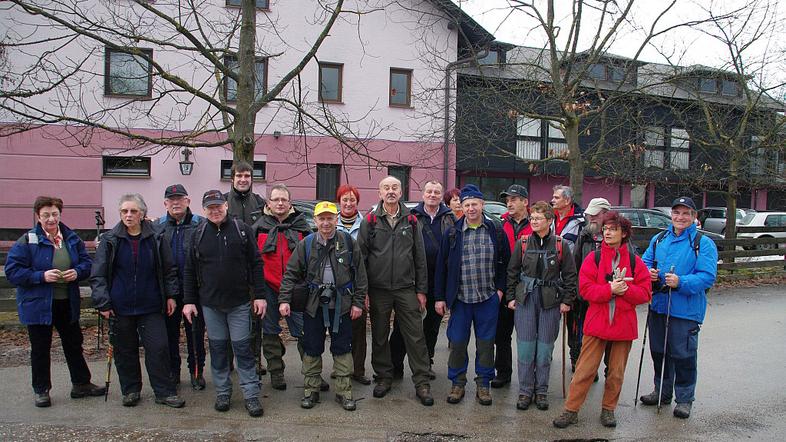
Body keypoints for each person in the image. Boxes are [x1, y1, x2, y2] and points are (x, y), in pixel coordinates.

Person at [553, 211, 651, 428]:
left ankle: (608, 410)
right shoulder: (594, 258)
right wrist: (609, 289)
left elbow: (645, 293)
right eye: (605, 229)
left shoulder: (635, 262)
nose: (607, 233)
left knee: (616, 373)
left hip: (623, 326)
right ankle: (571, 410)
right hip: (597, 324)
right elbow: (585, 289)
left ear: (624, 233)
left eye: (613, 229)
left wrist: (625, 290)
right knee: (584, 370)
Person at [6, 196, 105, 407]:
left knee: (74, 344)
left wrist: (77, 272)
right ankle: (41, 390)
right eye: (46, 215)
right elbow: (13, 271)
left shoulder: (71, 238)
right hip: (38, 304)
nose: (51, 219)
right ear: (38, 216)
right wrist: (40, 276)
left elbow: (87, 264)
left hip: (66, 301)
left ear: (60, 214)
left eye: (54, 214)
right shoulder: (27, 241)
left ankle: (81, 384)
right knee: (40, 348)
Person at [90, 194, 185, 408]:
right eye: (124, 211)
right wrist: (103, 302)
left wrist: (171, 295)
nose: (129, 215)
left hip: (151, 305)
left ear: (142, 214)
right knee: (125, 350)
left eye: (133, 211)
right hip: (120, 307)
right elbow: (98, 274)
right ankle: (131, 390)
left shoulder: (156, 237)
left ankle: (164, 391)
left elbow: (169, 269)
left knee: (159, 348)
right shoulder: (110, 240)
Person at [182, 190, 268, 417]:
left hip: (239, 303)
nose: (215, 211)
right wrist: (189, 301)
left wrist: (260, 295)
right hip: (210, 305)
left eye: (218, 206)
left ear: (226, 206)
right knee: (218, 350)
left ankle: (251, 394)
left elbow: (256, 263)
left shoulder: (242, 230)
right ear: (204, 210)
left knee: (243, 350)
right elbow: (189, 270)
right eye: (210, 207)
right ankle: (222, 392)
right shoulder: (198, 234)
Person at [279, 201, 368, 411]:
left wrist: (358, 303)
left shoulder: (348, 242)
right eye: (322, 218)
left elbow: (361, 276)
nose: (326, 223)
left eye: (330, 218)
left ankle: (344, 391)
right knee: (311, 347)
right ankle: (311, 390)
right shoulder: (306, 244)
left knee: (343, 348)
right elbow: (290, 274)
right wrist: (284, 300)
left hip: (342, 305)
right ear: (315, 220)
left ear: (336, 219)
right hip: (313, 305)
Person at [639, 197, 717, 419]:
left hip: (685, 310)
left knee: (684, 356)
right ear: (671, 215)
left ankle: (684, 399)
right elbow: (645, 262)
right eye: (676, 213)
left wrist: (681, 282)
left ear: (694, 216)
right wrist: (649, 273)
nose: (680, 217)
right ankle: (662, 392)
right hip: (659, 306)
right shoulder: (659, 239)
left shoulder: (703, 243)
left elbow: (707, 276)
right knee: (659, 352)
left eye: (685, 213)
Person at [358, 176, 433, 406]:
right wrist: (364, 291)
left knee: (416, 336)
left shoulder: (411, 221)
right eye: (386, 188)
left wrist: (421, 290)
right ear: (380, 193)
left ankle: (422, 382)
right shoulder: (370, 220)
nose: (390, 191)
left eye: (395, 188)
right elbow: (361, 259)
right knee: (379, 336)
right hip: (378, 289)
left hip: (405, 288)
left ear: (401, 192)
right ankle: (383, 377)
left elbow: (420, 258)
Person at [434, 185, 510, 405]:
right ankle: (457, 383)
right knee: (458, 344)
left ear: (482, 204)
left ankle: (483, 384)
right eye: (466, 205)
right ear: (462, 207)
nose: (470, 208)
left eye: (474, 204)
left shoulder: (496, 231)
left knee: (486, 345)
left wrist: (500, 291)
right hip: (460, 300)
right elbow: (441, 268)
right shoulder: (452, 233)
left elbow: (506, 264)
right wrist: (440, 297)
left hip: (487, 299)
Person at [505, 201, 577, 411]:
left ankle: (542, 391)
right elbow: (512, 271)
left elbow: (570, 275)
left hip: (550, 301)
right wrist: (510, 297)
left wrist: (567, 300)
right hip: (526, 299)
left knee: (544, 349)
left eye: (538, 218)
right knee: (526, 349)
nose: (534, 221)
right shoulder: (523, 243)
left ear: (549, 220)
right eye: (532, 218)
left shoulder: (560, 245)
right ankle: (525, 391)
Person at [252, 184, 322, 391]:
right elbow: (251, 260)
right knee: (270, 332)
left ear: (290, 203)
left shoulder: (302, 226)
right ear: (269, 203)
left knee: (304, 332)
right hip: (268, 288)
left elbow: (313, 257)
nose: (280, 203)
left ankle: (312, 373)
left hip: (296, 288)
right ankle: (276, 372)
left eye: (284, 199)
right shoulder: (258, 227)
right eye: (276, 200)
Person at [391, 180, 455, 380]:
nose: (433, 195)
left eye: (437, 192)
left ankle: (426, 364)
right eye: (429, 191)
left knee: (431, 327)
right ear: (423, 194)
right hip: (412, 280)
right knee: (402, 325)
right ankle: (395, 365)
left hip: (438, 281)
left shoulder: (450, 218)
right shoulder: (411, 216)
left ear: (441, 196)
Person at [155, 184, 207, 390]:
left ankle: (197, 372)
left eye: (180, 198)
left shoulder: (200, 224)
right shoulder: (157, 227)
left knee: (195, 334)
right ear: (165, 203)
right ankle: (173, 373)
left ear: (188, 201)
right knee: (169, 336)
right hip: (168, 292)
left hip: (194, 290)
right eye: (171, 199)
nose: (175, 203)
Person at [223, 160, 267, 376]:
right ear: (232, 178)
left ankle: (254, 361)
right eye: (239, 176)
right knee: (228, 317)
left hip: (253, 269)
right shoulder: (223, 202)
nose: (243, 180)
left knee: (255, 319)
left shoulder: (260, 203)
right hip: (228, 271)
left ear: (252, 178)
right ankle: (228, 361)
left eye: (247, 176)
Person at [491, 184, 532, 389]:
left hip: (529, 285)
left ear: (525, 202)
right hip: (505, 283)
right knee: (502, 334)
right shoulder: (500, 224)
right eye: (507, 200)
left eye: (513, 199)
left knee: (529, 336)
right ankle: (503, 372)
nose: (509, 203)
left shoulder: (536, 223)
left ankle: (530, 376)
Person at [567, 197, 611, 374]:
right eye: (589, 215)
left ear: (606, 214)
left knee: (608, 338)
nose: (591, 218)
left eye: (595, 215)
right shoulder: (584, 235)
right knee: (581, 334)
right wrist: (574, 292)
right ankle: (582, 367)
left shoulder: (618, 234)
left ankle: (608, 370)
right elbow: (574, 264)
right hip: (584, 297)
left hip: (609, 298)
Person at [335, 184, 371, 385]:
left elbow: (370, 258)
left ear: (357, 202)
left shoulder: (366, 224)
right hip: (336, 286)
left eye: (352, 200)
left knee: (358, 331)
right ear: (339, 202)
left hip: (358, 285)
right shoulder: (331, 223)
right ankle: (339, 368)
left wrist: (365, 291)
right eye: (345, 200)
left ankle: (358, 370)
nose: (348, 203)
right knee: (338, 329)